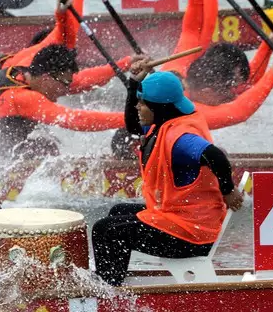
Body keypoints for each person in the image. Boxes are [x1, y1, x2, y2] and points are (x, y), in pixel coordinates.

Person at [91, 68, 241, 284]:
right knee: (117, 212)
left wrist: (228, 190)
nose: (137, 106)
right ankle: (114, 278)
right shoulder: (162, 123)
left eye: (142, 103)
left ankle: (107, 291)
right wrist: (134, 83)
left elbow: (215, 156)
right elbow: (133, 125)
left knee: (106, 230)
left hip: (192, 235)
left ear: (159, 107)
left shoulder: (179, 137)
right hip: (179, 218)